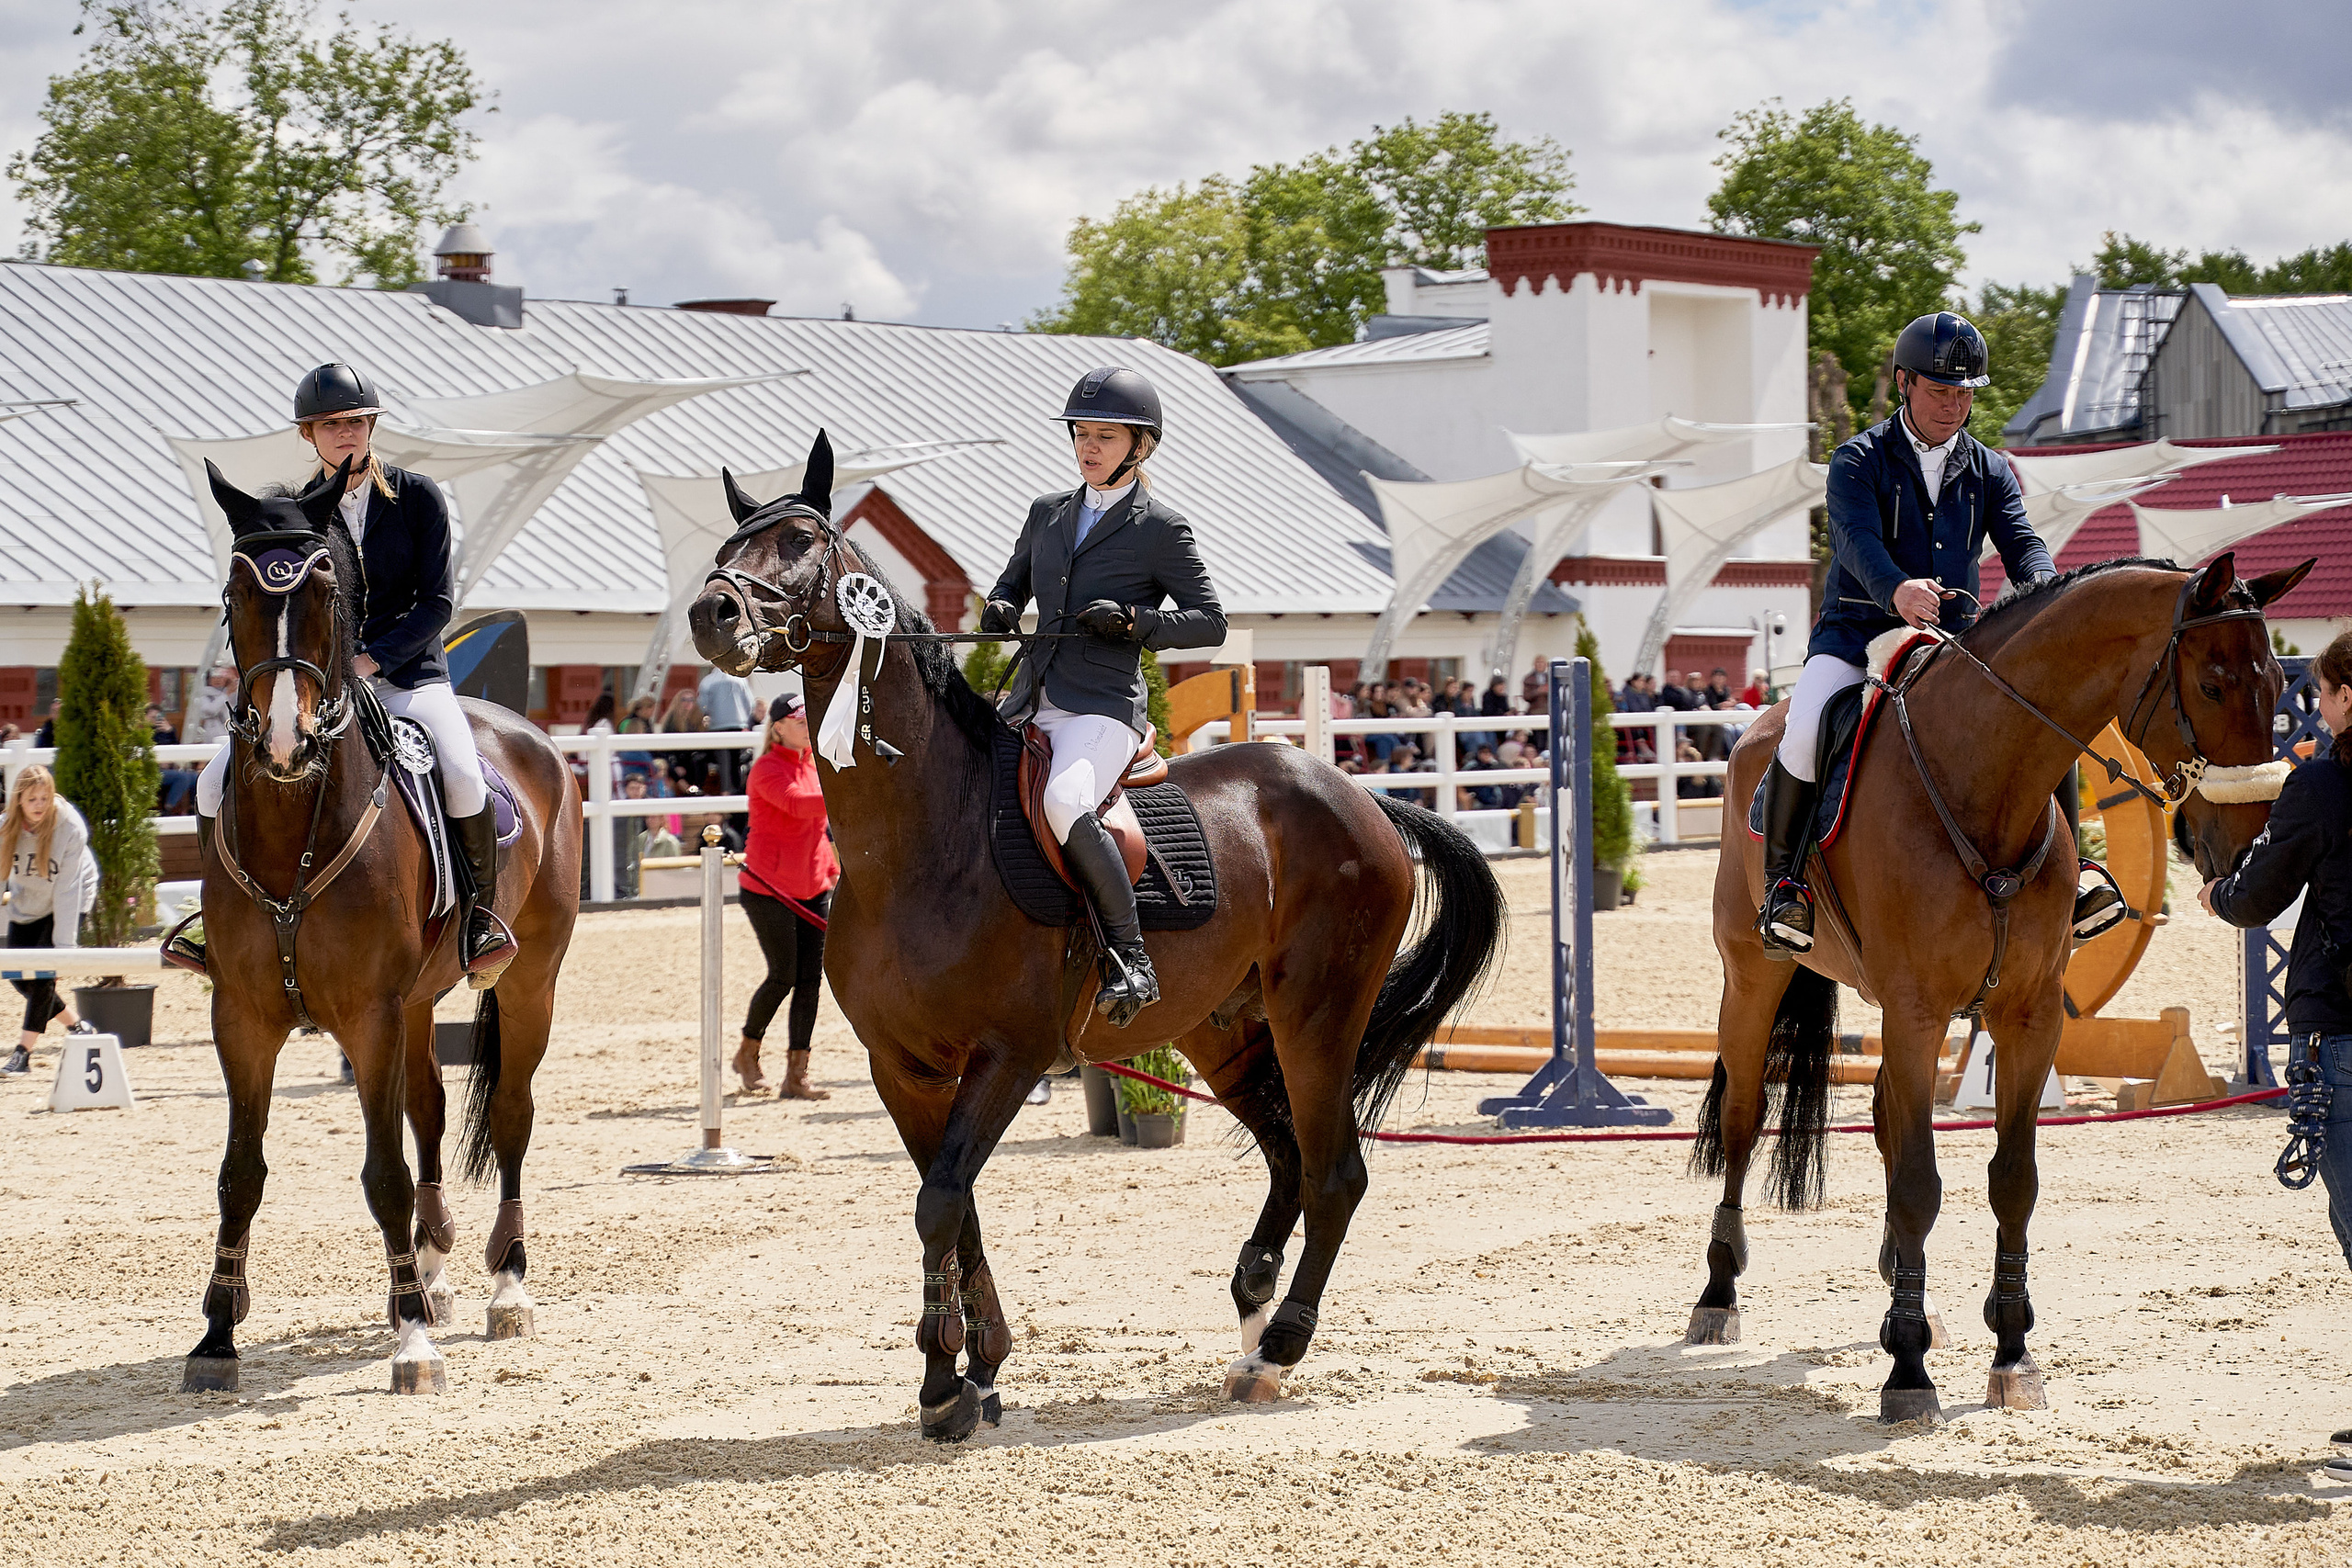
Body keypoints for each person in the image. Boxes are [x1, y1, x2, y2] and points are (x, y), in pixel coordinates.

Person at [1754, 311, 2119, 956]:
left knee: (2044, 722)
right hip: (1858, 629)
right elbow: (1856, 542)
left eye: (1964, 393)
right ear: (1904, 383)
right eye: (1941, 391)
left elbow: (2021, 541)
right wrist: (1895, 587)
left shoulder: (1992, 469)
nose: (1955, 406)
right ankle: (1786, 884)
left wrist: (2050, 591)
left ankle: (2079, 869)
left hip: (1950, 639)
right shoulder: (1856, 459)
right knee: (1806, 722)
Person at [180, 363, 515, 982]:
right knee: (210, 785)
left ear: (371, 428)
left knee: (465, 774)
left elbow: (438, 602)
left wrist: (373, 658)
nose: (347, 434)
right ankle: (211, 922)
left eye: (357, 421)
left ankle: (478, 921)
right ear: (308, 434)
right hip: (323, 687)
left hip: (411, 678)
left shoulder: (417, 497)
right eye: (332, 425)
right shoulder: (297, 513)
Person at [978, 366, 1227, 1025]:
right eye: (1082, 435)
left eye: (1105, 437)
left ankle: (1130, 955)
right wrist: (1001, 606)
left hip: (1103, 704)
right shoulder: (1046, 513)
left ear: (1139, 446)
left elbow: (1210, 621)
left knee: (1064, 798)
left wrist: (1135, 622)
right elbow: (1011, 584)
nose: (1088, 448)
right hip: (1031, 695)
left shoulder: (1160, 528)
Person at [2202, 629, 2352, 1475]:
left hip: (2344, 1028)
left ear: (2347, 697)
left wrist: (2218, 891)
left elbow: (2261, 894)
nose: (2321, 707)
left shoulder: (2320, 785)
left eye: (2327, 693)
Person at [733, 694, 840, 1100]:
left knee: (810, 980)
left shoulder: (815, 767)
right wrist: (845, 792)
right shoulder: (766, 769)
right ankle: (749, 1051)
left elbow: (818, 832)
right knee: (783, 975)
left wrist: (832, 871)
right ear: (778, 726)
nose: (808, 727)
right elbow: (796, 806)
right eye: (800, 721)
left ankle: (797, 1075)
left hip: (812, 885)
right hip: (768, 888)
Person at [0, 766, 96, 1075]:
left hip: (71, 898)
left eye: (45, 797)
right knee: (18, 976)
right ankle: (77, 1026)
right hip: (28, 901)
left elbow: (68, 890)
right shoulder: (5, 827)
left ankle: (22, 1054)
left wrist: (63, 950)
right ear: (19, 801)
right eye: (32, 799)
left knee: (42, 976)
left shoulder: (69, 827)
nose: (40, 804)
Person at [187, 668, 235, 746]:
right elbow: (211, 710)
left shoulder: (229, 693)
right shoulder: (204, 695)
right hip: (212, 730)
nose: (217, 680)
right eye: (214, 678)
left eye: (220, 678)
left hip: (229, 728)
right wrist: (225, 695)